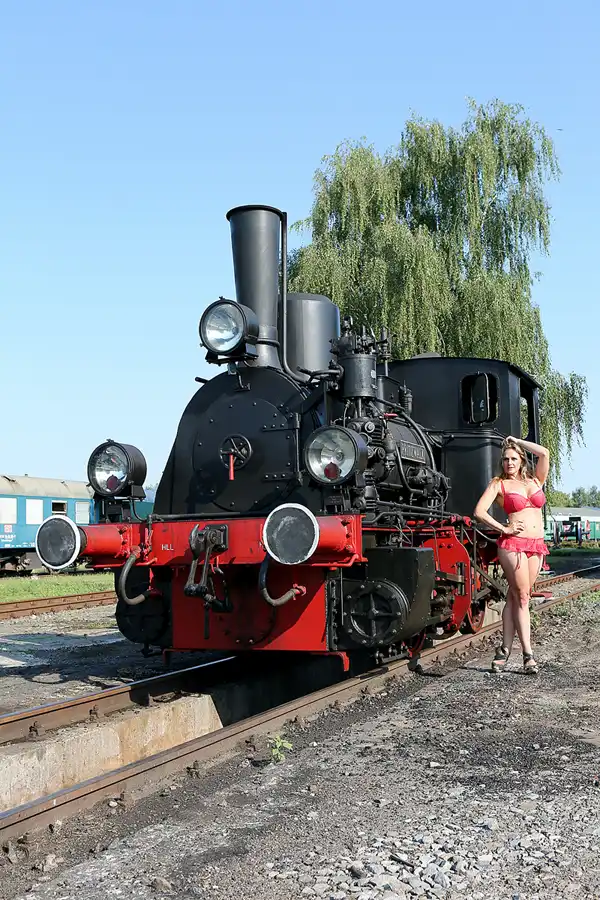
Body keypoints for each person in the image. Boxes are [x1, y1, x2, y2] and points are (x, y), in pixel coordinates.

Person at [473, 435, 550, 675]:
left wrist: (517, 440)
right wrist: (504, 528)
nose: (509, 463)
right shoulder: (499, 484)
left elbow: (545, 453)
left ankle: (504, 650)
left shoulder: (536, 479)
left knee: (514, 598)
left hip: (536, 545)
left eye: (513, 458)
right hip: (513, 545)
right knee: (524, 597)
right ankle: (528, 655)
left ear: (521, 460)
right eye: (505, 459)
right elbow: (479, 511)